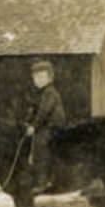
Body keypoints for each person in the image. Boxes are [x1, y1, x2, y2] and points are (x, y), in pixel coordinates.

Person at [25, 60, 66, 195]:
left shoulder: (50, 92)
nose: (38, 80)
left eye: (42, 77)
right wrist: (28, 121)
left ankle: (43, 182)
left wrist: (34, 127)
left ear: (50, 77)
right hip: (46, 126)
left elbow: (44, 112)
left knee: (40, 143)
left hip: (54, 126)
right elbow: (35, 110)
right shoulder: (41, 93)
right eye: (35, 77)